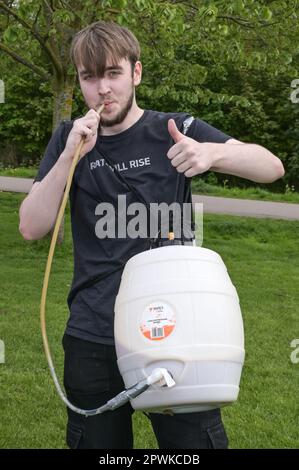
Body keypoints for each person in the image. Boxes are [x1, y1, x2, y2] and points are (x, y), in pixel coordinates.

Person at [19, 21, 284, 449]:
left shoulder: (176, 128)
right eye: (89, 77)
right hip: (93, 332)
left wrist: (212, 153)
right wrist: (70, 153)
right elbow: (31, 226)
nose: (102, 89)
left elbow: (271, 167)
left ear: (136, 73)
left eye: (112, 73)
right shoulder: (70, 139)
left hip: (174, 328)